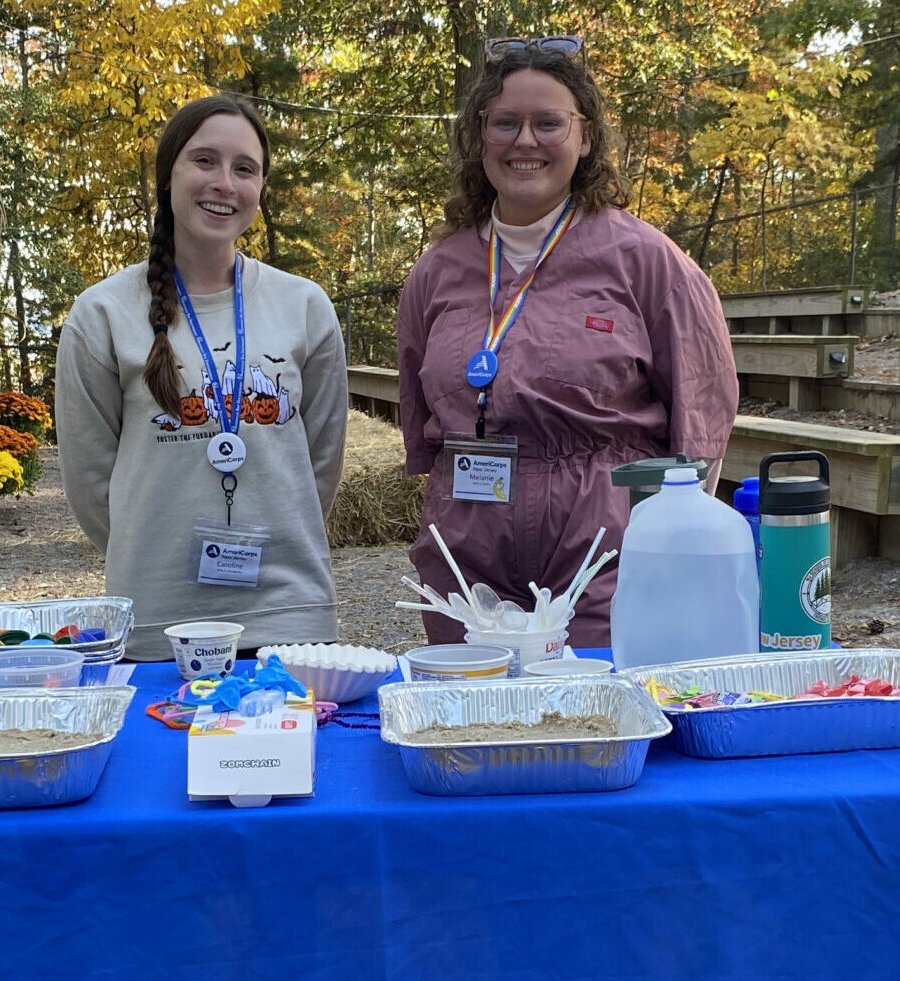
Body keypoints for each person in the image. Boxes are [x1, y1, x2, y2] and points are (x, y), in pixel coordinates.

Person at [397, 38, 738, 645]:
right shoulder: (436, 272)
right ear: (480, 139)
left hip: (603, 545)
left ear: (585, 138)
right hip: (466, 546)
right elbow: (422, 415)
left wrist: (668, 540)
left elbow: (703, 420)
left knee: (599, 718)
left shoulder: (648, 262)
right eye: (505, 123)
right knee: (471, 722)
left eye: (548, 123)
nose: (524, 141)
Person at [57, 96, 350, 662]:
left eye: (245, 169)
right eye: (205, 161)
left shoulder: (305, 307)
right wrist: (152, 543)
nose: (225, 183)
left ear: (261, 188)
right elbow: (92, 484)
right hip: (157, 620)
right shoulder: (102, 314)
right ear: (168, 174)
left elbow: (319, 466)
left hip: (288, 616)